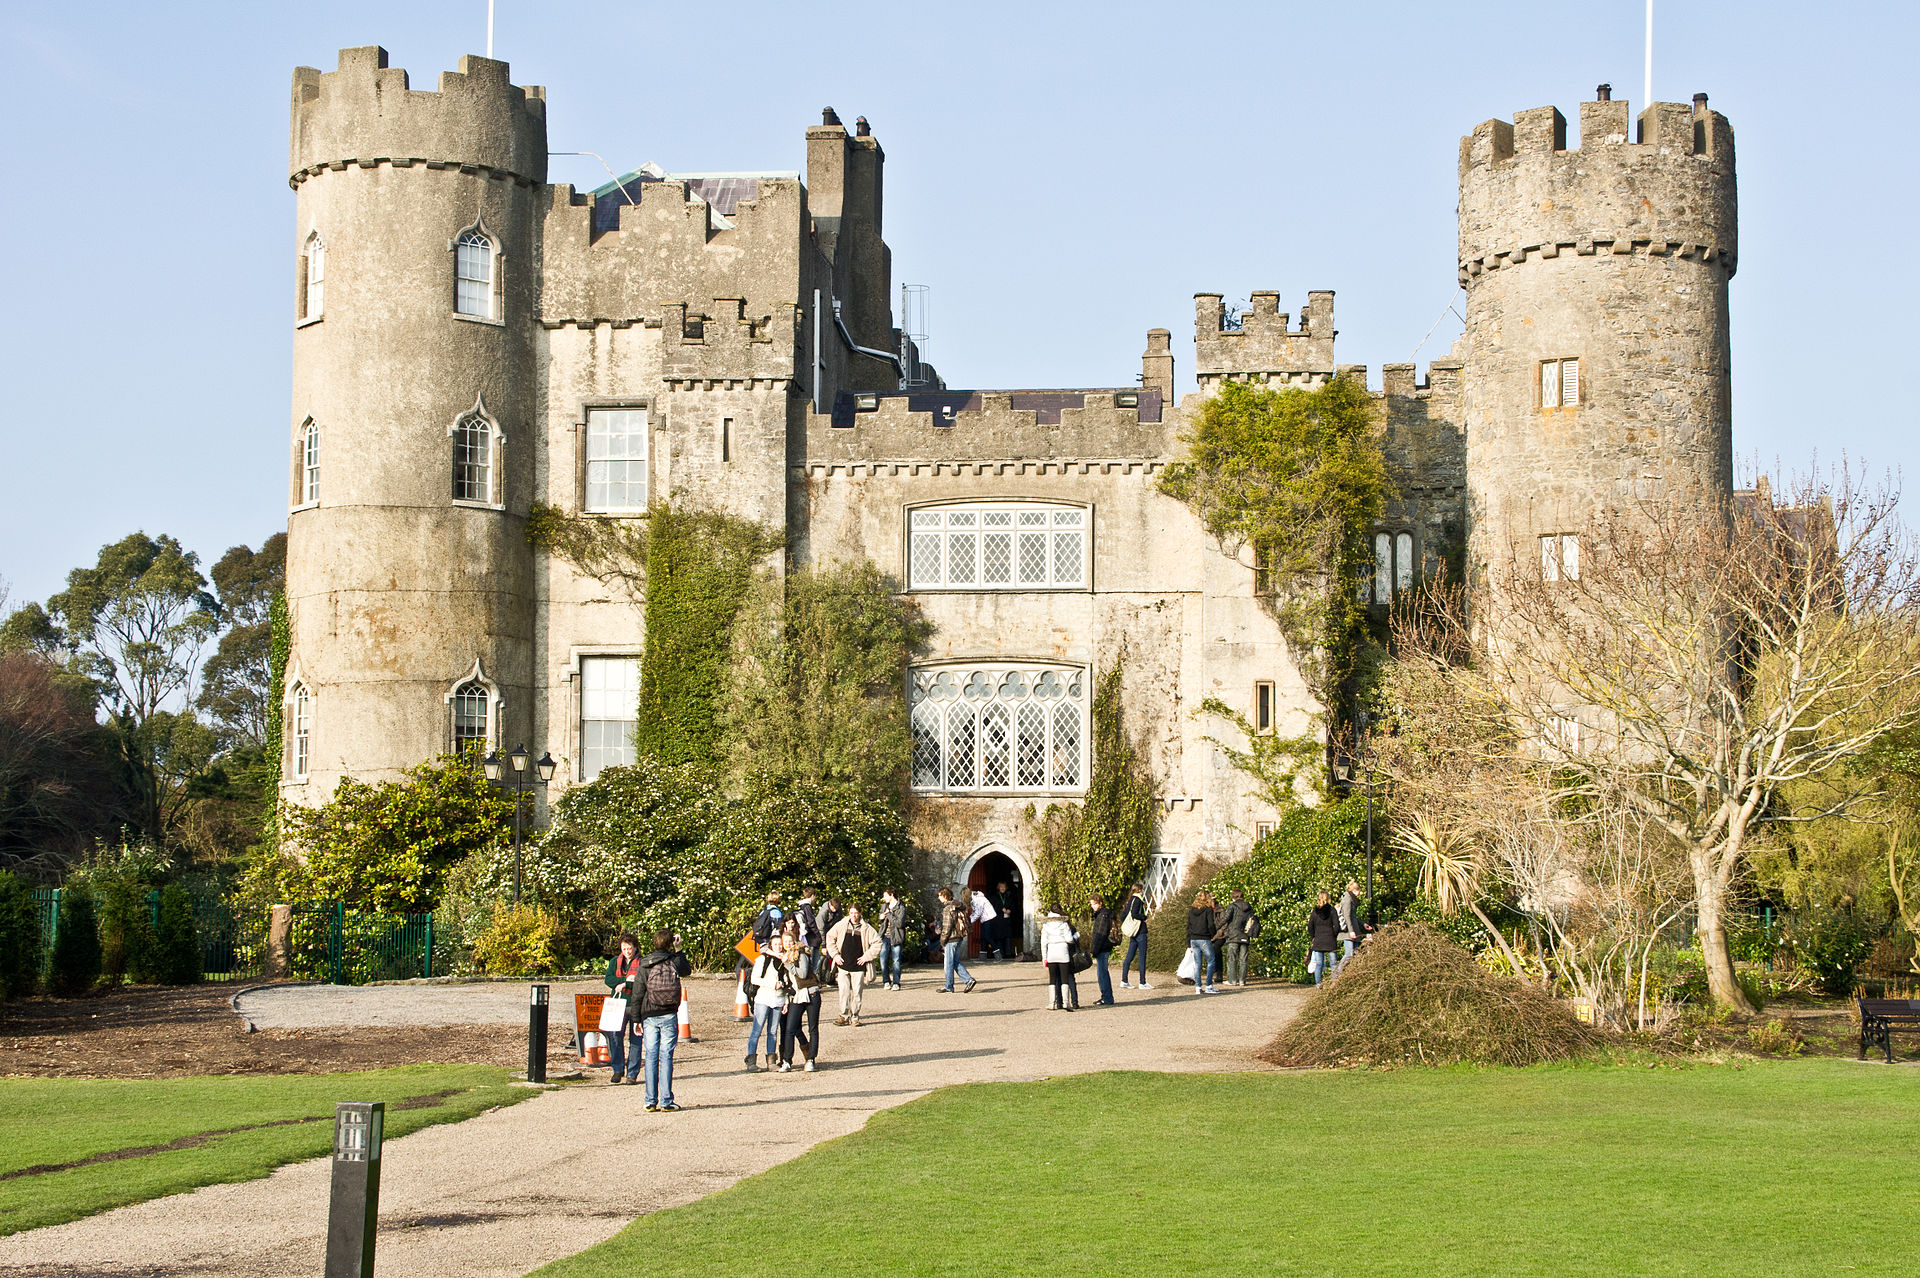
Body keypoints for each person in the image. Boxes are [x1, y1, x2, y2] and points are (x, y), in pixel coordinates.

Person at [633, 928, 693, 1111]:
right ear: (670, 943)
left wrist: (636, 1018)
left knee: (651, 1055)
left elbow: (637, 993)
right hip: (668, 1012)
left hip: (649, 1013)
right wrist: (679, 949)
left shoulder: (645, 963)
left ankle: (650, 1100)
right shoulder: (674, 961)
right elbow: (687, 971)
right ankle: (666, 1100)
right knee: (666, 1056)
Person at [747, 920, 796, 1071]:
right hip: (763, 998)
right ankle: (751, 1060)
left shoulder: (785, 961)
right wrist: (771, 984)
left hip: (779, 999)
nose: (779, 947)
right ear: (771, 946)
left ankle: (771, 1061)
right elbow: (755, 979)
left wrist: (786, 1000)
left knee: (773, 1032)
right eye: (775, 945)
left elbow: (788, 983)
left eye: (780, 944)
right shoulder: (763, 959)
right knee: (757, 1029)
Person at [824, 903, 882, 1025]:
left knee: (857, 993)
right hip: (843, 964)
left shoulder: (866, 928)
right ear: (848, 913)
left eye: (856, 913)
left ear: (860, 914)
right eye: (851, 913)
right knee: (843, 992)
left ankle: (855, 1016)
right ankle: (843, 1015)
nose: (854, 916)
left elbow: (877, 943)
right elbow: (830, 937)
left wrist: (866, 957)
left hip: (858, 966)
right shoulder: (841, 925)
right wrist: (835, 955)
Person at [602, 932, 645, 1085]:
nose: (627, 951)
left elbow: (642, 982)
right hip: (618, 1004)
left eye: (630, 948)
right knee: (615, 1037)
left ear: (635, 948)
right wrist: (625, 980)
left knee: (636, 1039)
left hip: (635, 1004)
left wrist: (626, 984)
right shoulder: (615, 962)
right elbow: (609, 979)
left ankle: (632, 1073)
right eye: (624, 948)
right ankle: (617, 1069)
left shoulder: (642, 962)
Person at [937, 888, 978, 993]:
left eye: (940, 895)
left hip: (951, 938)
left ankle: (949, 985)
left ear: (945, 896)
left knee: (948, 963)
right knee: (955, 962)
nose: (938, 898)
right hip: (959, 937)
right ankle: (968, 980)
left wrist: (942, 940)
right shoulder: (958, 906)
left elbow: (947, 926)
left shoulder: (947, 908)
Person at [1039, 907, 1078, 1011]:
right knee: (1065, 978)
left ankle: (1052, 1003)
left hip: (1051, 951)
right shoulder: (1064, 924)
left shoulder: (1046, 925)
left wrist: (1044, 958)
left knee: (1052, 979)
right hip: (1062, 951)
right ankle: (1066, 1002)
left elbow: (1043, 943)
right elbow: (1069, 939)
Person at [1187, 890, 1222, 995]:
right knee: (1211, 961)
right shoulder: (1208, 910)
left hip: (1194, 938)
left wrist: (1188, 942)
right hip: (1204, 938)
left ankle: (1198, 986)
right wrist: (1213, 935)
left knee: (1197, 964)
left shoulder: (1191, 911)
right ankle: (1209, 985)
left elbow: (1188, 927)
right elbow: (1211, 925)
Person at [1220, 888, 1256, 987]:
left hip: (1233, 935)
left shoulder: (1232, 906)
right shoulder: (1248, 907)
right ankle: (1242, 981)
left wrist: (1217, 927)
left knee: (1231, 958)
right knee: (1243, 959)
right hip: (1245, 935)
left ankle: (1232, 980)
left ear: (1233, 897)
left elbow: (1226, 919)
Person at [1119, 883, 1151, 989]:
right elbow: (1134, 914)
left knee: (1129, 956)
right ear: (1139, 890)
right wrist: (1144, 917)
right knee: (1142, 957)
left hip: (1133, 932)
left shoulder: (1130, 901)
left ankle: (1124, 979)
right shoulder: (1138, 900)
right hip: (1140, 931)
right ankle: (1142, 982)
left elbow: (1123, 915)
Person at [1088, 893, 1116, 1005]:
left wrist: (1094, 950)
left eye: (1094, 904)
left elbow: (1100, 934)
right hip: (1105, 947)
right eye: (1092, 905)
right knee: (1102, 973)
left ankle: (1107, 997)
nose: (1093, 907)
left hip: (1103, 948)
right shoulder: (1103, 914)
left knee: (1102, 974)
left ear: (1100, 903)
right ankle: (1106, 996)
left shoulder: (1103, 916)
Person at [877, 889, 907, 991]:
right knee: (883, 959)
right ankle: (886, 981)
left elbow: (900, 923)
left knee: (896, 961)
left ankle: (896, 982)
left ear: (892, 895)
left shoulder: (901, 907)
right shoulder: (884, 906)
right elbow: (882, 919)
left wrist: (889, 914)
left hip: (896, 937)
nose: (883, 898)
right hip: (885, 936)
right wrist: (881, 917)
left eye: (885, 896)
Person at [1307, 891, 1340, 985]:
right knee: (1333, 964)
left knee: (1319, 964)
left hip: (1318, 940)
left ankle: (1318, 984)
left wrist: (1313, 936)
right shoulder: (1332, 910)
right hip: (1330, 940)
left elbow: (1310, 926)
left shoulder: (1315, 911)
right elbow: (1337, 926)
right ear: (1328, 898)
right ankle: (1334, 984)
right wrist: (1334, 935)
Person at [1337, 879, 1367, 971]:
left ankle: (1344, 974)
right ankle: (1337, 974)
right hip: (1348, 932)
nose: (1360, 893)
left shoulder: (1352, 900)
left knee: (1354, 954)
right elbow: (1347, 916)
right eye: (1359, 891)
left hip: (1353, 930)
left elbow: (1353, 917)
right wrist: (1351, 931)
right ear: (1355, 890)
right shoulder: (1348, 900)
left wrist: (1363, 924)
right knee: (1349, 954)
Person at [967, 887, 997, 960]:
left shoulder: (978, 900)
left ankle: (998, 954)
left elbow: (978, 913)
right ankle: (983, 956)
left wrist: (968, 921)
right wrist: (968, 919)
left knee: (987, 937)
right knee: (982, 937)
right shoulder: (974, 900)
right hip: (984, 919)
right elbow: (975, 912)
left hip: (989, 918)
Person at [991, 880, 1016, 958]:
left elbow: (1014, 905)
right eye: (1001, 887)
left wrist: (1010, 910)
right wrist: (1001, 909)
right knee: (999, 937)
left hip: (1007, 920)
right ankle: (1001, 953)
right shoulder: (995, 897)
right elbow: (992, 907)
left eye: (1004, 887)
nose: (1002, 888)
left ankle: (1008, 953)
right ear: (998, 888)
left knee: (1008, 937)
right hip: (998, 920)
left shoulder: (1009, 896)